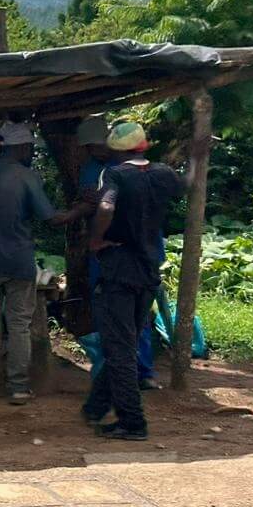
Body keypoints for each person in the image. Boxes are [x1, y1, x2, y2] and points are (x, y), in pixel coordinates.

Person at [82, 120, 194, 441]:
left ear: (115, 151)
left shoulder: (115, 175)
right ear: (143, 146)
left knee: (119, 349)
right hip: (148, 270)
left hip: (119, 269)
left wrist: (96, 239)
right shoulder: (162, 174)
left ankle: (133, 422)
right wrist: (197, 155)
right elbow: (187, 183)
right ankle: (95, 407)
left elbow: (106, 206)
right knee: (126, 343)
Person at [0, 122, 70, 407]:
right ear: (22, 147)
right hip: (18, 261)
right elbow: (50, 218)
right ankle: (18, 388)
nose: (31, 153)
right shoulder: (27, 176)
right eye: (30, 148)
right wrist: (80, 210)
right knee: (19, 325)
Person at [75, 116, 159, 389]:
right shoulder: (93, 168)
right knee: (110, 314)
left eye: (98, 145)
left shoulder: (133, 167)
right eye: (90, 147)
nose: (95, 151)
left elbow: (102, 203)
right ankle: (117, 372)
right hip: (109, 253)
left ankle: (141, 371)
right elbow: (91, 199)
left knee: (137, 315)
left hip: (134, 252)